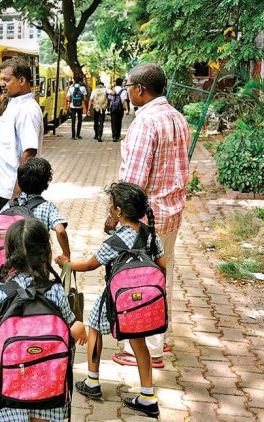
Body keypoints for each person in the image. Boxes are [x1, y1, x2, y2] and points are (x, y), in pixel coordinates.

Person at [56, 182, 165, 418]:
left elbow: (89, 265)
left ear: (118, 211)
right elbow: (162, 266)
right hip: (143, 300)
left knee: (93, 326)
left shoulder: (114, 242)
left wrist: (66, 264)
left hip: (117, 297)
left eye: (110, 206)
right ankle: (147, 396)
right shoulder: (151, 234)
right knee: (139, 342)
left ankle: (93, 382)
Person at [0, 218, 87, 422]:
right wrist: (81, 329)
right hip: (50, 386)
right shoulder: (55, 290)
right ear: (45, 252)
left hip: (10, 387)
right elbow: (72, 327)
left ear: (9, 255)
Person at [112, 62, 190, 369]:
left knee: (138, 280)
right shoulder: (177, 117)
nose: (127, 92)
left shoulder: (145, 123)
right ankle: (159, 335)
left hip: (146, 220)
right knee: (162, 274)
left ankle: (145, 349)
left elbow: (133, 182)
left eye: (129, 86)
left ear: (140, 90)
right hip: (171, 214)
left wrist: (117, 217)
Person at [0, 57, 42, 215]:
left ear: (22, 80)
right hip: (1, 188)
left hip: (11, 191)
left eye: (6, 80)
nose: (2, 84)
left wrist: (17, 193)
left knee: (7, 238)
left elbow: (29, 152)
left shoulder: (28, 109)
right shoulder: (12, 104)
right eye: (1, 79)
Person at [0, 158, 70, 261]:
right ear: (46, 183)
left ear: (19, 182)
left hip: (13, 265)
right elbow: (60, 231)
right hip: (38, 266)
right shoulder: (48, 207)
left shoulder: (11, 205)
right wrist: (66, 255)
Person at [66, 76, 88, 140]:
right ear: (80, 81)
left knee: (73, 121)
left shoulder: (71, 88)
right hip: (80, 106)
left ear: (74, 81)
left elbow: (67, 97)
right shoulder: (83, 88)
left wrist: (69, 102)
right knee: (79, 120)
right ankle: (78, 135)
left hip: (72, 106)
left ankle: (73, 136)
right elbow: (85, 98)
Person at [109, 78, 130, 142]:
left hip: (112, 108)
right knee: (119, 121)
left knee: (113, 122)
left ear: (116, 83)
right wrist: (127, 109)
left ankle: (114, 136)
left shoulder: (112, 90)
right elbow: (124, 101)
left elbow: (109, 99)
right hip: (120, 108)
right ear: (121, 83)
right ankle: (117, 135)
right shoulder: (124, 91)